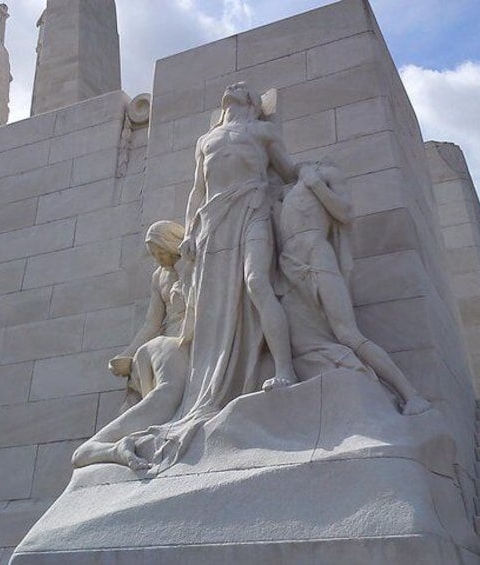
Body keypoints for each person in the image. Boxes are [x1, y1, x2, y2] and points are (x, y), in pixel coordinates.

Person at [277, 162, 431, 415]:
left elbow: (345, 213)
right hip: (287, 265)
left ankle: (410, 394)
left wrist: (313, 182)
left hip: (316, 254)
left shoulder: (325, 173)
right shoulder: (282, 191)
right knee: (298, 341)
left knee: (347, 333)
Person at [179, 81, 299, 397]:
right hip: (213, 221)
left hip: (253, 207)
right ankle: (212, 383)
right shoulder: (206, 140)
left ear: (251, 101)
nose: (233, 88)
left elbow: (289, 173)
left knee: (257, 282)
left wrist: (321, 178)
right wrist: (189, 231)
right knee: (211, 303)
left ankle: (285, 369)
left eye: (241, 87)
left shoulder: (263, 132)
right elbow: (197, 191)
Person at [72, 221, 189, 470]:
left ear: (174, 244)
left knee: (164, 397)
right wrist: (127, 355)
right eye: (154, 255)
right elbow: (151, 323)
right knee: (158, 397)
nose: (159, 258)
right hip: (165, 344)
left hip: (182, 341)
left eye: (162, 252)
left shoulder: (192, 265)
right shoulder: (159, 277)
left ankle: (108, 446)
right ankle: (109, 443)